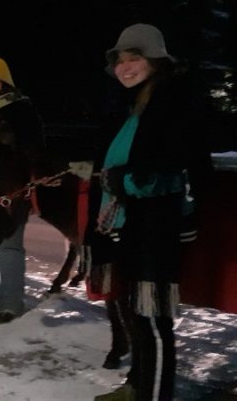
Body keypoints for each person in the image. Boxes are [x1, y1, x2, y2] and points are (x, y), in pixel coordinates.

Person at [91, 24, 207, 401]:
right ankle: (138, 386)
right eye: (121, 61)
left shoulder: (171, 102)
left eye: (134, 58)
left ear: (156, 60)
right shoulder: (142, 103)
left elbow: (169, 171)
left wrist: (119, 180)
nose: (126, 67)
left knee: (154, 320)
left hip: (157, 227)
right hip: (134, 225)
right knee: (138, 315)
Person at [0, 57, 46, 324]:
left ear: (6, 83)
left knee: (9, 244)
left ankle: (11, 302)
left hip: (11, 187)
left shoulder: (21, 110)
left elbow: (34, 147)